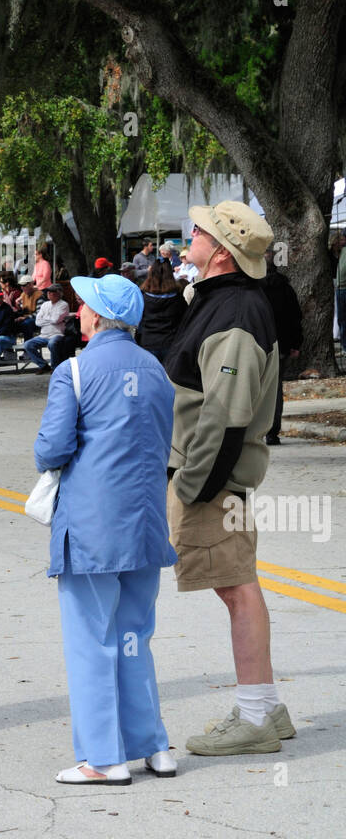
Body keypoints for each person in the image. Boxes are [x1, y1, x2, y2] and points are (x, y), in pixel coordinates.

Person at [34, 273, 177, 784]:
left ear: (96, 316)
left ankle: (103, 757)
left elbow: (50, 450)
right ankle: (153, 745)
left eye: (83, 305)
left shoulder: (73, 370)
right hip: (145, 525)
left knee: (92, 641)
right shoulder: (156, 370)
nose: (78, 311)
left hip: (93, 529)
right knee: (135, 636)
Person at [164, 200, 291, 757]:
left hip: (213, 481)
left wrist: (194, 485)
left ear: (220, 251)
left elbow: (226, 414)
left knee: (237, 588)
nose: (190, 234)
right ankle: (267, 707)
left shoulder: (237, 312)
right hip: (212, 477)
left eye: (200, 230)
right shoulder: (220, 300)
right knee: (237, 585)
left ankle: (257, 714)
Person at [260, 247, 303, 444]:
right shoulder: (286, 289)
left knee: (255, 387)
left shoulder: (254, 289)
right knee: (275, 388)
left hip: (258, 343)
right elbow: (295, 318)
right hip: (282, 344)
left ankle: (256, 428)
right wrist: (295, 343)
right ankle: (272, 431)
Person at [135, 259, 187, 363]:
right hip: (171, 343)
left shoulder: (143, 297)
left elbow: (138, 320)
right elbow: (184, 320)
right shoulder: (178, 297)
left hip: (148, 342)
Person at [23, 282, 70, 372]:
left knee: (52, 344)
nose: (49, 293)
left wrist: (45, 318)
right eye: (48, 291)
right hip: (43, 335)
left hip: (57, 334)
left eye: (52, 291)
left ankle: (55, 367)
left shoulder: (63, 304)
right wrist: (50, 319)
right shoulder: (45, 304)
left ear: (59, 293)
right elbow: (37, 322)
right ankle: (43, 366)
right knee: (28, 344)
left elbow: (56, 320)